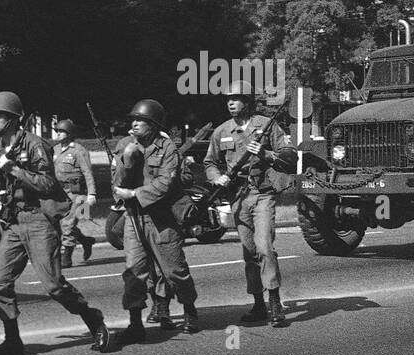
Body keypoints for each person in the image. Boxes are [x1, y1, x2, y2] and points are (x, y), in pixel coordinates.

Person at [0, 91, 113, 355]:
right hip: (14, 221)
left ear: (13, 119)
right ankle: (12, 340)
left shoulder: (34, 144)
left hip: (39, 220)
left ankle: (93, 318)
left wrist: (14, 169)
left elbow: (49, 183)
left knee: (54, 286)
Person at [204, 80, 296, 326]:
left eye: (236, 99)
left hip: (262, 193)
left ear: (247, 102)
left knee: (265, 246)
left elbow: (289, 156)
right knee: (249, 252)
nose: (231, 103)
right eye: (228, 100)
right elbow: (210, 163)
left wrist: (266, 154)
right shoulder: (222, 131)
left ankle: (274, 301)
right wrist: (217, 177)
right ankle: (258, 304)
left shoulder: (266, 125)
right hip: (237, 197)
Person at [111, 99, 200, 340]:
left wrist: (134, 194)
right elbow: (115, 185)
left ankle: (189, 310)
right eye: (133, 120)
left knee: (174, 271)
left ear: (153, 125)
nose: (135, 123)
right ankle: (135, 325)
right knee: (134, 271)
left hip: (162, 218)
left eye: (141, 120)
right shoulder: (124, 145)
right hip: (134, 218)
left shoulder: (166, 147)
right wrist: (127, 159)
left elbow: (165, 183)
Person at [51, 118, 96, 266]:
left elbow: (88, 172)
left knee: (68, 224)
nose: (58, 133)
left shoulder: (79, 150)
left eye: (61, 131)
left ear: (69, 133)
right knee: (59, 223)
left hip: (76, 192)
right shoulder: (55, 149)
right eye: (57, 131)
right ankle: (85, 240)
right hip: (59, 192)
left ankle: (67, 257)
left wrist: (91, 194)